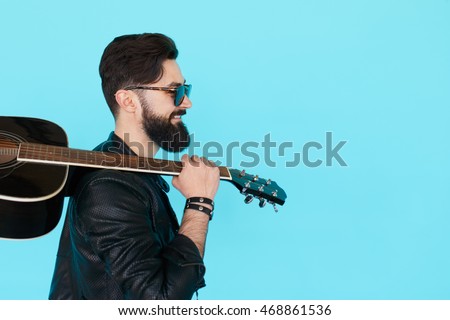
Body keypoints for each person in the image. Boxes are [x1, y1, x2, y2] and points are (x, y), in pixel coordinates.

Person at [49, 33, 220, 299]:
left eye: (186, 90)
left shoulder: (137, 174)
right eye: (175, 91)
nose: (187, 102)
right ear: (128, 101)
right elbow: (161, 302)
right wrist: (200, 204)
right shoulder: (108, 187)